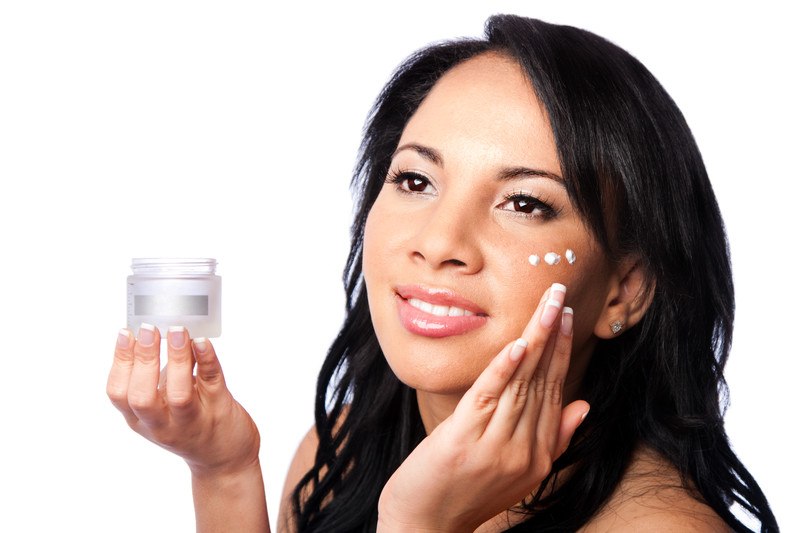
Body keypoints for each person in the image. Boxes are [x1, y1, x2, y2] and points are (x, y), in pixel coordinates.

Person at [106, 14, 779, 532]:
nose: (440, 241)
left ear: (624, 291)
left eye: (524, 202)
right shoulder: (339, 450)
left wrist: (421, 523)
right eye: (416, 179)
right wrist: (222, 470)